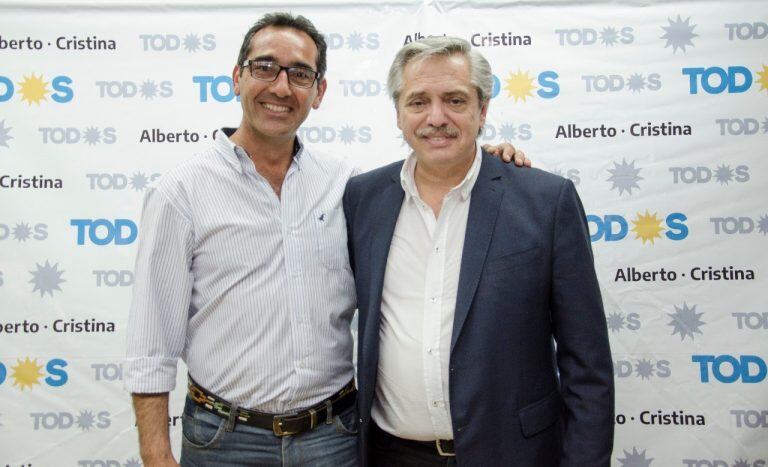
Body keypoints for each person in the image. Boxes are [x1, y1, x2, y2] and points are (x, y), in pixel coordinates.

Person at [124, 13, 528, 467]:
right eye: (265, 67)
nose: (281, 87)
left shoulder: (347, 186)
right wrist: (156, 456)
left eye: (300, 74)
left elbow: (435, 177)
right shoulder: (180, 192)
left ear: (318, 92)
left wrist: (486, 162)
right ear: (237, 78)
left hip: (333, 437)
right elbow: (150, 344)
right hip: (224, 440)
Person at [343, 36, 614, 466]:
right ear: (398, 112)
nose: (436, 118)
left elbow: (587, 364)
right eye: (418, 102)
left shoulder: (545, 201)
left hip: (512, 454)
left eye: (454, 100)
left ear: (482, 109)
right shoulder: (362, 198)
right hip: (389, 454)